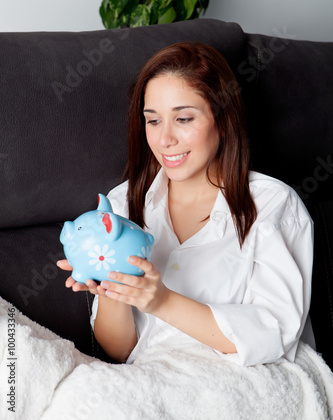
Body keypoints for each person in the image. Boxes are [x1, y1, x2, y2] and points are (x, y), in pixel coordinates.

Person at [57, 42, 313, 367]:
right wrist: (110, 286)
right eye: (153, 121)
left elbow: (275, 333)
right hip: (150, 381)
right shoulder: (121, 205)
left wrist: (162, 302)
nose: (164, 140)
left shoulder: (274, 206)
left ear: (223, 120)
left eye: (184, 119)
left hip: (249, 378)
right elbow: (119, 352)